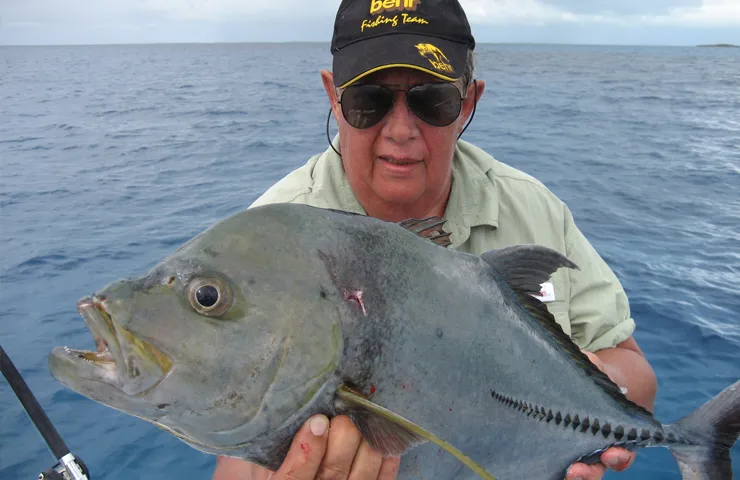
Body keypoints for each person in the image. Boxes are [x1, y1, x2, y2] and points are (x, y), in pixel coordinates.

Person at [213, 0, 658, 478]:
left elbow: (638, 376)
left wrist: (585, 383)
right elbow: (234, 456)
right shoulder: (267, 246)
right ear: (332, 95)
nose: (400, 131)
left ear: (469, 102)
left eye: (432, 101)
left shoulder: (532, 209)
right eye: (369, 100)